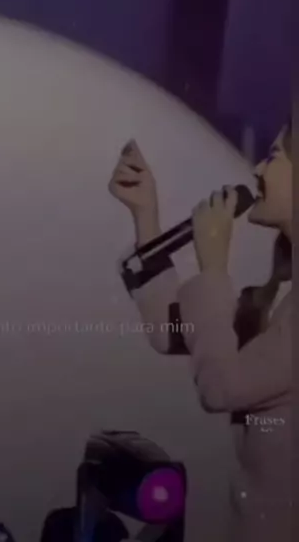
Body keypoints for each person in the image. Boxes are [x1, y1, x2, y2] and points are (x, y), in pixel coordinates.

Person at [108, 124, 292, 542]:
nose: (258, 169)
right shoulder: (278, 298)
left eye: (275, 156)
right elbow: (177, 331)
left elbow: (222, 387)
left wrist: (213, 268)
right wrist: (146, 215)